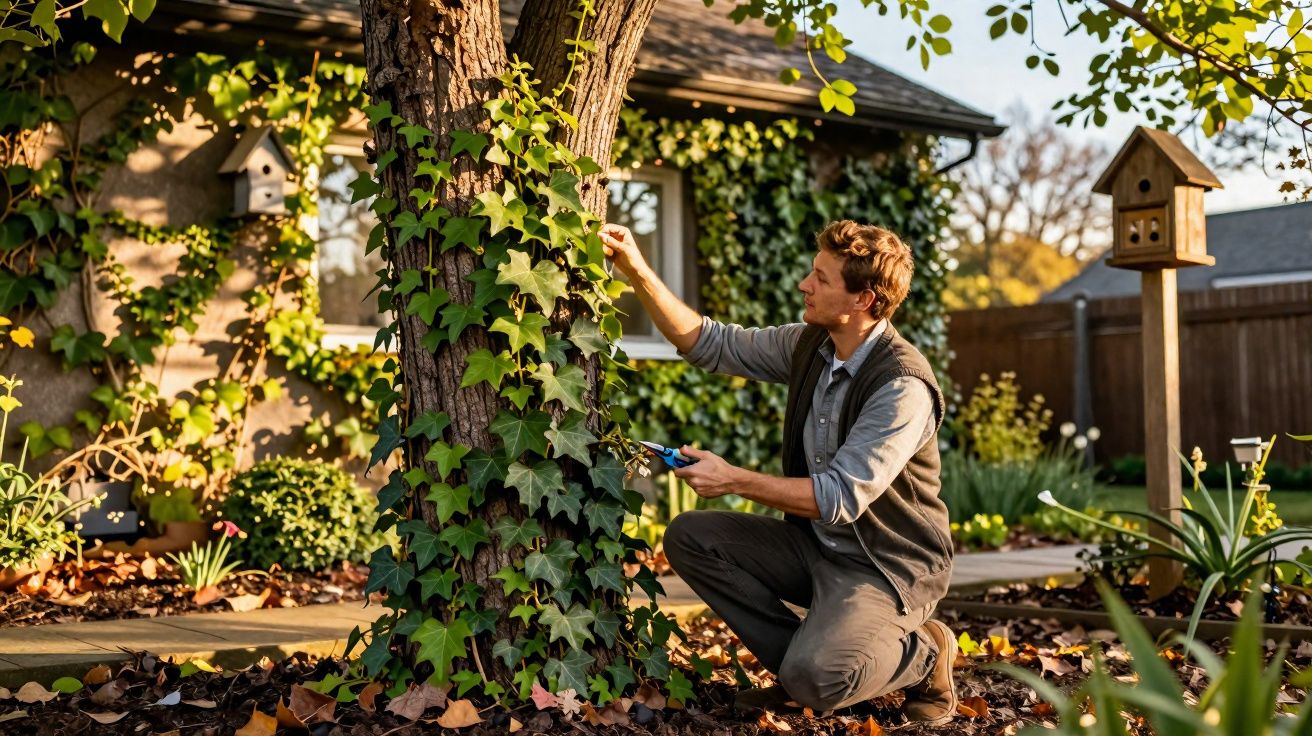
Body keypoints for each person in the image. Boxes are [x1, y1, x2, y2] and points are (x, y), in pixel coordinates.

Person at [598, 220, 957, 724]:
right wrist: (634, 267)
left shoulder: (901, 387)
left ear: (864, 300)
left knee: (817, 679)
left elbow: (839, 496)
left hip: (887, 566)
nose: (804, 285)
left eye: (822, 278)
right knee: (690, 537)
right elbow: (710, 343)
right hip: (818, 547)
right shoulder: (811, 346)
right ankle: (803, 669)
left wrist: (733, 479)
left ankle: (925, 655)